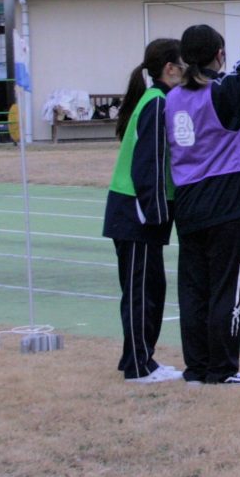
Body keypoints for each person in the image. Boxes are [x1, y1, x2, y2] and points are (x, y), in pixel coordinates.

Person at [168, 0, 240, 385]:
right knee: (230, 287)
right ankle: (224, 368)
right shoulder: (223, 92)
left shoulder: (171, 98)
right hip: (227, 199)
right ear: (217, 55)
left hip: (189, 201)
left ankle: (196, 366)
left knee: (194, 289)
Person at [102, 37, 186, 384]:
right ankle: (138, 366)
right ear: (170, 69)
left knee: (152, 289)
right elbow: (147, 164)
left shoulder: (157, 100)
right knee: (140, 292)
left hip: (141, 211)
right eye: (184, 64)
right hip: (135, 211)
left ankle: (138, 358)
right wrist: (155, 213)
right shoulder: (155, 103)